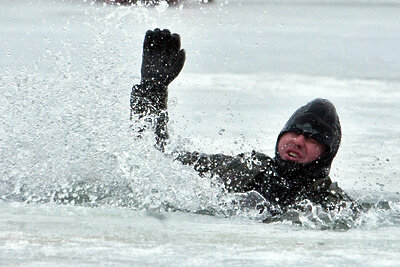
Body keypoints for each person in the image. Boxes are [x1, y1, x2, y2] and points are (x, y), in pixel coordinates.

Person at [130, 28, 359, 218]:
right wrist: (153, 89)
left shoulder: (333, 205)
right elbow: (157, 160)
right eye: (294, 132)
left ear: (326, 153)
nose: (298, 141)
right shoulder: (243, 171)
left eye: (311, 138)